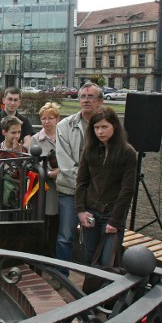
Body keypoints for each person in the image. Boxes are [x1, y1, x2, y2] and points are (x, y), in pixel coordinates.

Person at [76, 107, 137, 266]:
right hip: (91, 211)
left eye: (104, 127)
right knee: (90, 257)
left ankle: (109, 290)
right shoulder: (89, 149)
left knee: (108, 261)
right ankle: (92, 290)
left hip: (112, 213)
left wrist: (115, 220)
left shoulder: (127, 152)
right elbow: (82, 181)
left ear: (114, 126)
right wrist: (81, 210)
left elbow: (127, 189)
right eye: (96, 127)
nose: (100, 131)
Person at [55, 82, 103, 274]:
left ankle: (93, 279)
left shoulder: (107, 125)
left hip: (98, 196)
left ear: (100, 101)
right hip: (70, 191)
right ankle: (62, 276)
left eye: (90, 96)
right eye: (82, 96)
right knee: (65, 236)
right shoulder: (64, 126)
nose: (85, 100)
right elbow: (65, 165)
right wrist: (89, 184)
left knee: (93, 238)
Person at [30, 102, 61, 257]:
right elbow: (32, 164)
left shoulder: (63, 136)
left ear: (57, 119)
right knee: (48, 220)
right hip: (47, 187)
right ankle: (46, 253)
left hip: (64, 184)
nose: (47, 121)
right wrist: (49, 174)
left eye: (50, 118)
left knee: (61, 222)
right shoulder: (36, 139)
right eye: (43, 118)